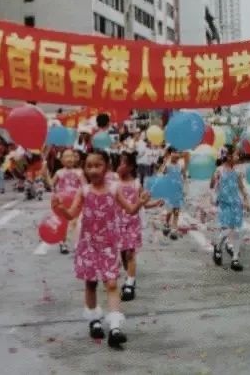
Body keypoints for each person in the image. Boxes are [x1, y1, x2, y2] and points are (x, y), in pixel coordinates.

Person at [53, 150, 151, 350]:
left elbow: (130, 210)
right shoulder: (84, 191)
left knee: (112, 283)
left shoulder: (115, 189)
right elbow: (71, 214)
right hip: (88, 244)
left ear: (106, 167)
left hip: (108, 245)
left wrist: (140, 202)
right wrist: (60, 208)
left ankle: (115, 327)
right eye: (89, 166)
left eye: (97, 165)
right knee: (90, 284)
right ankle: (94, 320)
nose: (93, 169)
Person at [116, 152, 162, 301]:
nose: (119, 166)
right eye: (118, 163)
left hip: (131, 222)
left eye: (123, 163)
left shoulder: (136, 184)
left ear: (130, 167)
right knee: (123, 253)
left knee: (130, 253)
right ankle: (130, 275)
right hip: (117, 223)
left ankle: (129, 283)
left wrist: (154, 203)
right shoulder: (113, 184)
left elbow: (143, 203)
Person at [211, 145, 249, 271]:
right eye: (236, 154)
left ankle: (235, 258)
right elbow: (214, 186)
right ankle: (218, 246)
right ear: (228, 156)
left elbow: (241, 186)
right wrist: (214, 197)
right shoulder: (219, 170)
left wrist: (246, 198)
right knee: (227, 230)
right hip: (224, 203)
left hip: (236, 204)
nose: (238, 157)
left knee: (238, 231)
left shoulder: (237, 171)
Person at [50, 148, 86, 254]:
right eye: (66, 156)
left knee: (76, 223)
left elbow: (85, 186)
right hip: (62, 202)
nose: (69, 159)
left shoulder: (79, 172)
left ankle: (77, 244)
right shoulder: (59, 172)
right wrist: (45, 175)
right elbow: (51, 184)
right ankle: (62, 243)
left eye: (71, 156)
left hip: (76, 202)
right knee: (62, 223)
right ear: (61, 160)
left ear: (75, 159)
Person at [161, 147, 185, 240]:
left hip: (178, 191)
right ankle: (167, 223)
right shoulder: (167, 165)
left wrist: (183, 189)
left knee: (176, 211)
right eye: (174, 153)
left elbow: (183, 176)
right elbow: (162, 176)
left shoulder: (181, 165)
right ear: (171, 154)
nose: (176, 155)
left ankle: (174, 230)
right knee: (170, 211)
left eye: (178, 153)